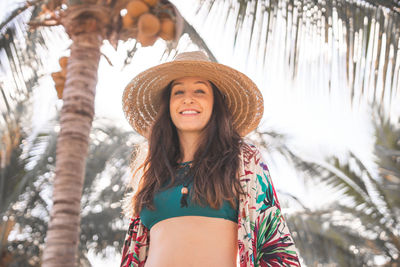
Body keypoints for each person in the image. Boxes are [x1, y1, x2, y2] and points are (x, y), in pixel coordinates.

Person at [120, 51, 301, 267]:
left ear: (216, 103)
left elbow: (275, 245)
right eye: (178, 92)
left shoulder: (243, 161)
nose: (188, 98)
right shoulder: (153, 173)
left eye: (199, 90)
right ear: (168, 105)